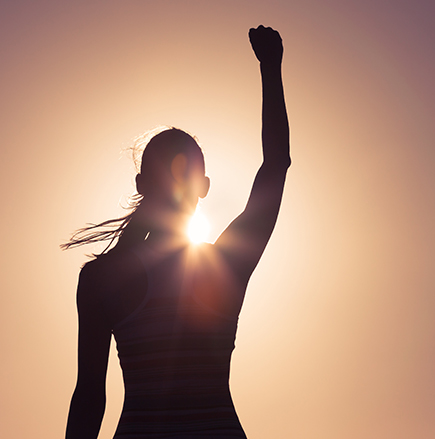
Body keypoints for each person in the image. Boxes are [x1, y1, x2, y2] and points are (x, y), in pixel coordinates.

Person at [63, 25, 290, 439]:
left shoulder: (101, 279)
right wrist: (271, 69)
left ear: (140, 185)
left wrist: (271, 69)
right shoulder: (226, 265)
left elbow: (89, 399)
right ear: (203, 190)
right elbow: (275, 166)